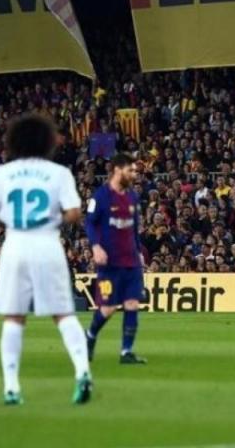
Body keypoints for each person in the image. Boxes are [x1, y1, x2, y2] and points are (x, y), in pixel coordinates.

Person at [0, 114, 92, 406]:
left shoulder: (2, 174)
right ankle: (82, 371)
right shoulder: (59, 173)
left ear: (13, 142)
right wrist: (53, 217)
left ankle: (12, 387)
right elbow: (75, 213)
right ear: (47, 142)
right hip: (48, 244)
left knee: (14, 316)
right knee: (63, 313)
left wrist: (6, 217)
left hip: (16, 245)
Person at [85, 153, 147, 364]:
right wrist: (95, 246)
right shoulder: (100, 196)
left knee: (132, 304)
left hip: (131, 262)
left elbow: (135, 229)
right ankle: (90, 335)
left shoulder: (132, 197)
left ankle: (126, 352)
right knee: (108, 308)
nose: (134, 174)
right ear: (118, 170)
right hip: (109, 264)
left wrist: (139, 251)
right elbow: (90, 223)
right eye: (131, 170)